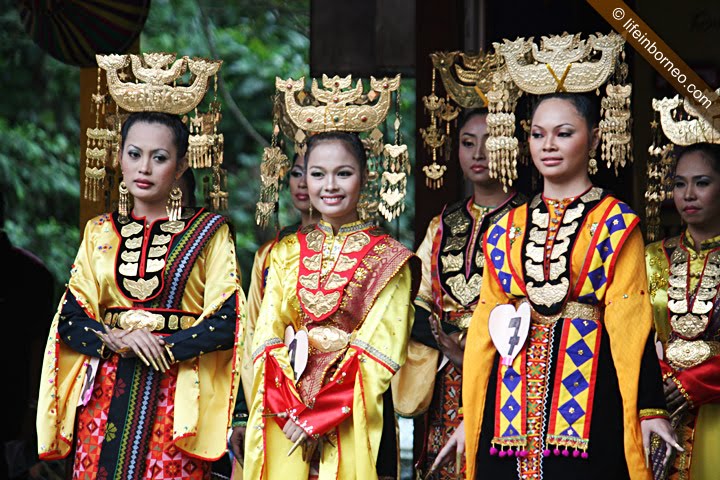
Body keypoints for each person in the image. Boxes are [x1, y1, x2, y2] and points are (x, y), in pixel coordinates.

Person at [461, 93, 681, 479]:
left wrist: (649, 409)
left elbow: (631, 321)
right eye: (538, 134)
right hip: (508, 400)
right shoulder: (505, 230)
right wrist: (471, 414)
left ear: (594, 139)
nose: (548, 145)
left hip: (593, 394)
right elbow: (484, 329)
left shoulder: (615, 221)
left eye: (563, 134)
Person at [36, 110, 245, 479]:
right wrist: (116, 338)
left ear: (181, 166)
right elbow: (70, 318)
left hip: (175, 394)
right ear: (119, 158)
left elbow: (228, 320)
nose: (143, 168)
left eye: (159, 157)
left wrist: (163, 345)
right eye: (134, 154)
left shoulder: (211, 234)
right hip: (103, 392)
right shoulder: (98, 231)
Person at [243, 131, 420, 479]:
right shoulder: (285, 252)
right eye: (318, 174)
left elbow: (377, 352)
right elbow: (266, 338)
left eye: (344, 173)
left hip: (350, 412)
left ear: (365, 177)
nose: (330, 186)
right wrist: (289, 411)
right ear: (304, 178)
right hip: (285, 415)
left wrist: (319, 415)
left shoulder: (391, 260)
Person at [392, 108, 526, 479]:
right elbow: (414, 298)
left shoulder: (530, 217)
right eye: (468, 143)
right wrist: (448, 341)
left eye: (489, 143)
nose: (478, 153)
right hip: (444, 368)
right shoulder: (442, 223)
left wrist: (475, 348)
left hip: (508, 366)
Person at [228, 152, 318, 474]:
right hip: (272, 396)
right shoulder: (270, 254)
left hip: (332, 394)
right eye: (296, 173)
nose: (304, 183)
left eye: (315, 173)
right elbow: (249, 333)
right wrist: (242, 412)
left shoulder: (361, 251)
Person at [645, 142, 720, 480]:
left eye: (702, 183)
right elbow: (632, 333)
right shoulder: (650, 257)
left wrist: (693, 381)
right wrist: (660, 377)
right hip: (662, 405)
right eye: (679, 183)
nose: (688, 194)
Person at [0, 191, 62, 480]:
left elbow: (41, 345)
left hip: (15, 407)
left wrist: (34, 409)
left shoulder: (31, 274)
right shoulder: (33, 271)